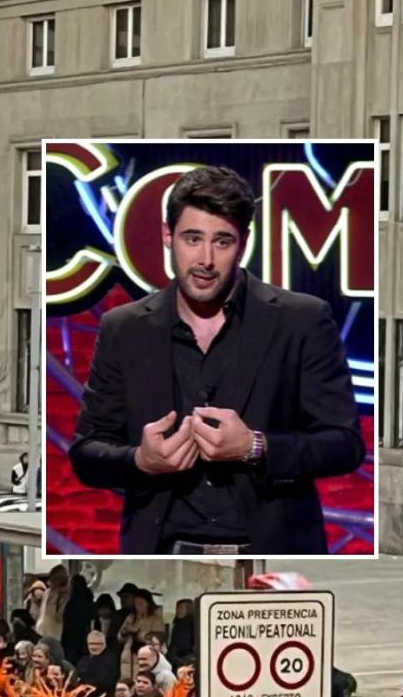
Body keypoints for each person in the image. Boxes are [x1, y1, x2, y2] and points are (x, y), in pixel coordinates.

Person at [68, 166, 366, 554]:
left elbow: (344, 444)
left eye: (222, 242)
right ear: (168, 237)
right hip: (163, 553)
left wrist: (255, 447)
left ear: (243, 245)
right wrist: (140, 459)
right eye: (193, 239)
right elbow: (87, 452)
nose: (205, 259)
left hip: (270, 553)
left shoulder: (302, 321)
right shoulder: (124, 328)